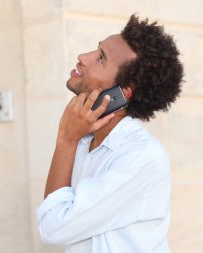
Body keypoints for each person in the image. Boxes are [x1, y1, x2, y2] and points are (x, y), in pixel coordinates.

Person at [36, 14, 184, 253]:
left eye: (101, 58)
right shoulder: (86, 139)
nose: (83, 58)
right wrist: (71, 139)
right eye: (97, 50)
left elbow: (53, 227)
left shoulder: (141, 157)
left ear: (122, 94)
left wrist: (65, 139)